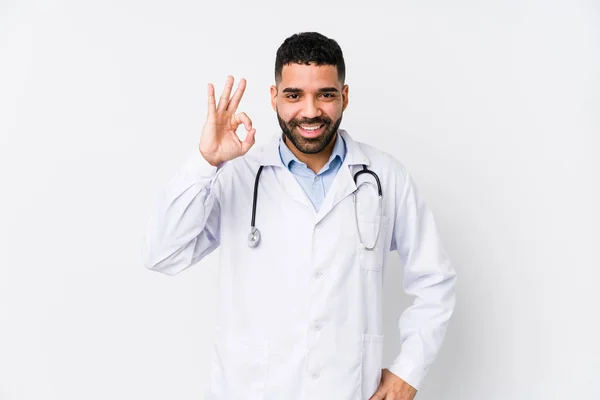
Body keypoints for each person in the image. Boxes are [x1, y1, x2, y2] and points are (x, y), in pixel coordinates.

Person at [142, 32, 456, 400]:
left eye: (325, 94)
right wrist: (205, 162)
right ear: (274, 97)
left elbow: (434, 280)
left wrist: (408, 371)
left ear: (345, 97)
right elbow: (161, 253)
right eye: (294, 95)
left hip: (348, 388)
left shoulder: (384, 177)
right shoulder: (237, 174)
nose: (310, 111)